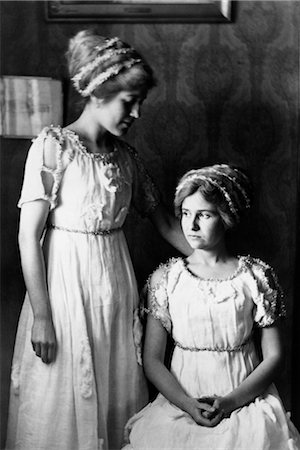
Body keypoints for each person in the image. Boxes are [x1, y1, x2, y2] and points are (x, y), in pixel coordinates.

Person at [5, 30, 191, 450]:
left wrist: (220, 263)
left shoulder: (127, 157)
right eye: (129, 101)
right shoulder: (54, 147)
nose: (137, 113)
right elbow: (27, 237)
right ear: (98, 93)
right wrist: (42, 316)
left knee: (116, 389)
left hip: (115, 288)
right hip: (65, 290)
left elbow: (164, 223)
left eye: (140, 101)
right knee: (62, 396)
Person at [123, 164, 300, 450]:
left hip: (244, 398)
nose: (191, 225)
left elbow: (275, 356)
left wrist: (231, 402)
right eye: (185, 214)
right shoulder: (166, 279)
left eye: (203, 215)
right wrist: (188, 405)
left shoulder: (255, 277)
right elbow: (153, 361)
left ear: (227, 218)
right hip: (181, 400)